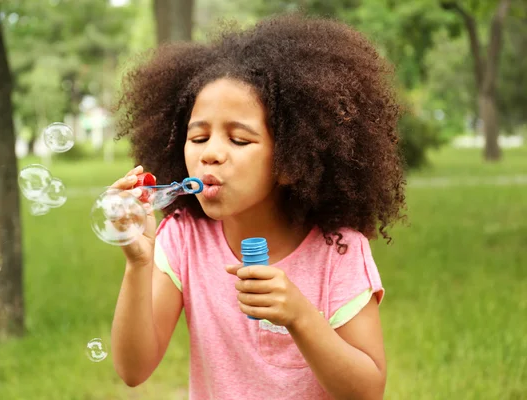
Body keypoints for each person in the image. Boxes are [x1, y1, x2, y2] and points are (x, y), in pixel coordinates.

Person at [110, 13, 406, 400]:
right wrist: (138, 264)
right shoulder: (184, 238)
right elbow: (133, 370)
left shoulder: (339, 251)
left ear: (289, 160)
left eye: (239, 139)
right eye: (198, 137)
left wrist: (300, 318)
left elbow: (367, 391)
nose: (211, 154)